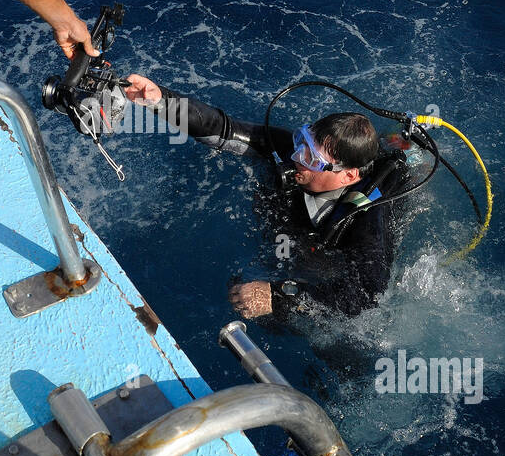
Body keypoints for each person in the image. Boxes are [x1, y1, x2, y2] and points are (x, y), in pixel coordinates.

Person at [122, 73, 415, 322]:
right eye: (302, 141)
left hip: (326, 256)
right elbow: (221, 128)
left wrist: (280, 295)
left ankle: (405, 154)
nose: (296, 157)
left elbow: (367, 296)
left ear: (348, 176)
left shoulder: (367, 220)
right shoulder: (288, 149)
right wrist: (160, 100)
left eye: (310, 157)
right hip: (287, 242)